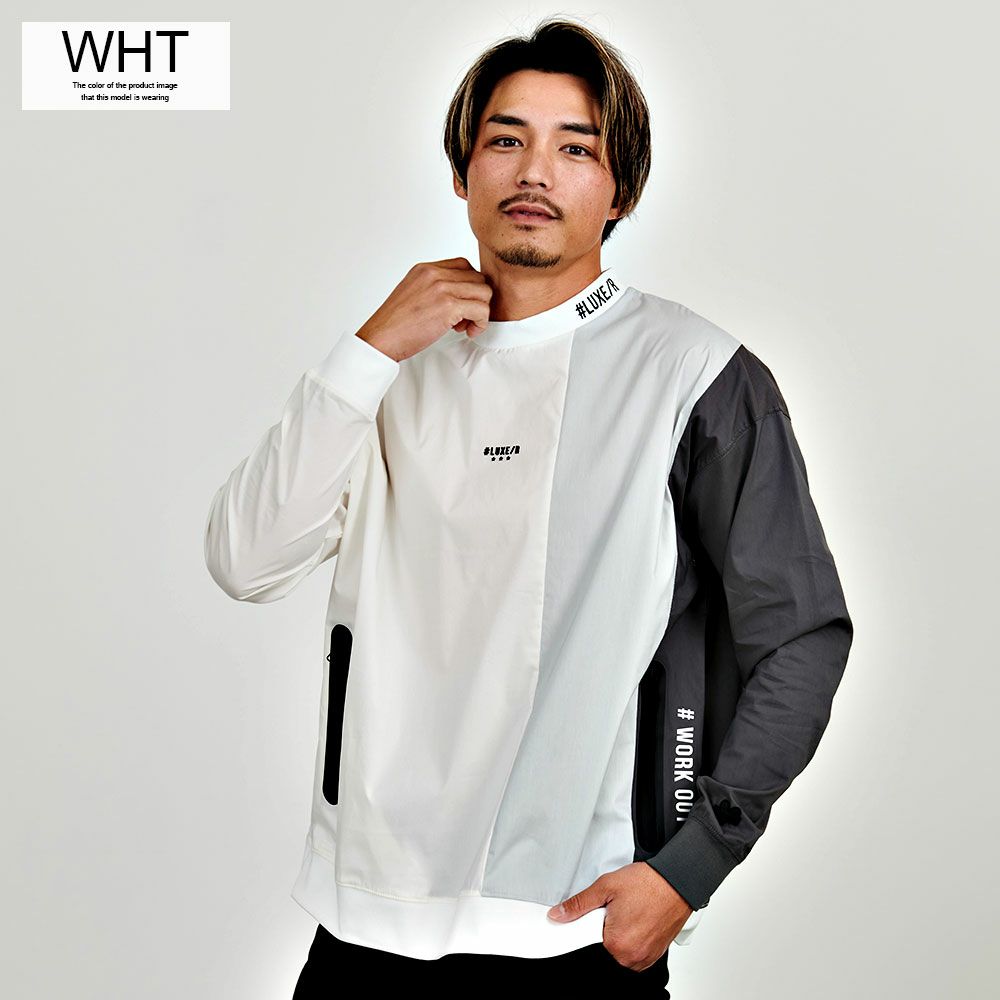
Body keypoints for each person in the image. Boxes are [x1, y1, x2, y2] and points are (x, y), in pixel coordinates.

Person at [203, 16, 853, 996]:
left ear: (620, 190)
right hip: (364, 922)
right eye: (505, 139)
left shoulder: (696, 375)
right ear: (462, 172)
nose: (535, 171)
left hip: (572, 934)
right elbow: (246, 560)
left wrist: (691, 866)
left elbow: (800, 636)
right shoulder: (390, 367)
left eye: (575, 147)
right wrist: (365, 354)